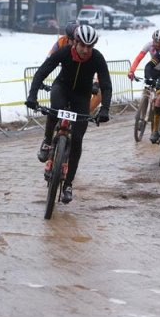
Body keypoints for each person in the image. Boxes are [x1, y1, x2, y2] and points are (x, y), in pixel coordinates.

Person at [25, 25, 112, 204]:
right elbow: (42, 72)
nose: (86, 50)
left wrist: (105, 109)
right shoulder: (64, 52)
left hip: (82, 95)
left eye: (90, 46)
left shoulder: (97, 58)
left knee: (78, 140)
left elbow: (106, 85)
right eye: (83, 46)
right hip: (62, 88)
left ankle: (68, 185)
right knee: (55, 110)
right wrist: (32, 96)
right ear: (75, 42)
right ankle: (48, 142)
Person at [47, 21, 103, 114]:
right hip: (68, 76)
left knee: (100, 95)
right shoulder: (61, 42)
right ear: (67, 37)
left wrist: (97, 83)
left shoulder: (85, 46)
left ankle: (84, 114)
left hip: (85, 75)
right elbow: (49, 60)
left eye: (77, 40)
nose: (74, 43)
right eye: (72, 40)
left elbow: (99, 68)